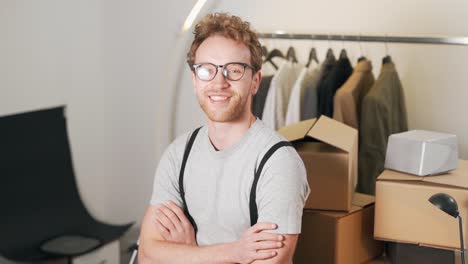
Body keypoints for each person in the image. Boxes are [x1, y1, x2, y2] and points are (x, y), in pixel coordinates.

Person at [138, 12, 310, 264]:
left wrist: (188, 251)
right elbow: (147, 255)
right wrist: (234, 252)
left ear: (255, 81)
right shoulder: (178, 155)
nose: (219, 82)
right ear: (195, 80)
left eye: (234, 70)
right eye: (207, 70)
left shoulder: (278, 163)